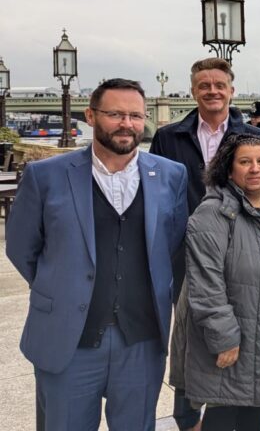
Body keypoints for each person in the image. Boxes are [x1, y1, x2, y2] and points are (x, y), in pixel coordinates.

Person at [6, 78, 189, 430]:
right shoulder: (45, 175)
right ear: (91, 116)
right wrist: (62, 281)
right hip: (67, 340)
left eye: (136, 115)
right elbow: (21, 246)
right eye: (115, 114)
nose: (128, 124)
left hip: (141, 338)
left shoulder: (170, 175)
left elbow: (172, 242)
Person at [169, 134, 260, 431]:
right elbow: (206, 284)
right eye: (244, 162)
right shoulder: (213, 213)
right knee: (224, 410)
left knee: (255, 406)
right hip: (236, 332)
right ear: (228, 168)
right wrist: (224, 337)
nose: (254, 169)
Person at [149, 57, 260, 431]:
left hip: (240, 251)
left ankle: (226, 412)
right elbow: (157, 197)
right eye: (204, 85)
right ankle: (187, 417)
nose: (212, 91)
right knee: (188, 335)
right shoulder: (169, 137)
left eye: (219, 84)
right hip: (187, 253)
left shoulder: (254, 137)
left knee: (239, 332)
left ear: (231, 89)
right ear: (193, 90)